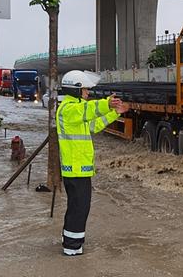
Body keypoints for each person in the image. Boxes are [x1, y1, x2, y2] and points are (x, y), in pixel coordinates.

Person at [56, 70, 129, 256]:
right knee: (79, 208)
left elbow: (94, 125)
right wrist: (106, 103)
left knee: (77, 206)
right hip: (75, 169)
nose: (88, 94)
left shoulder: (75, 113)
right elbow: (88, 109)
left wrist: (113, 113)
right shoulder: (69, 109)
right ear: (76, 90)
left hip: (79, 169)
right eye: (86, 90)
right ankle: (72, 247)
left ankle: (70, 240)